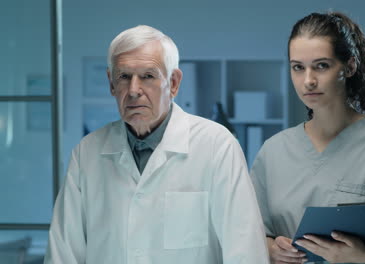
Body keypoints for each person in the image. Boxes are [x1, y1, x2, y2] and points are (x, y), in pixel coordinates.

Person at [44, 25, 269, 263]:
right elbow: (63, 252)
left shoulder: (216, 145)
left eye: (148, 76)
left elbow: (245, 250)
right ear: (111, 84)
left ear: (173, 83)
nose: (133, 90)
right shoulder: (88, 151)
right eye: (124, 77)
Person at [250, 12, 365, 264]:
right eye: (298, 67)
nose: (308, 81)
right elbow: (251, 233)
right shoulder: (273, 151)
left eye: (322, 66)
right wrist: (271, 249)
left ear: (349, 67)